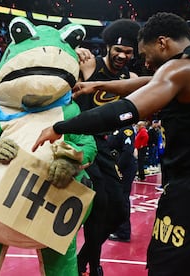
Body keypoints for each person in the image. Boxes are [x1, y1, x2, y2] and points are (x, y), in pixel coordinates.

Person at [33, 12, 190, 276]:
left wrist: (60, 127)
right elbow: (151, 83)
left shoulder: (179, 69)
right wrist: (100, 84)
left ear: (162, 43)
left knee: (164, 268)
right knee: (188, 267)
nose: (145, 62)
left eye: (145, 54)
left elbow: (122, 112)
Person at [73, 18, 141, 276]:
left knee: (119, 211)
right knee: (99, 207)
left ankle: (85, 258)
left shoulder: (130, 77)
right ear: (108, 47)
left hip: (108, 147)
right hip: (83, 142)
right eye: (118, 50)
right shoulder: (89, 63)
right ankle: (93, 265)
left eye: (128, 52)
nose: (122, 55)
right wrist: (74, 50)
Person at [107, 125, 137, 243]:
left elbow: (127, 151)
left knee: (123, 198)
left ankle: (124, 232)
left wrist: (118, 168)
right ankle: (118, 227)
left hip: (125, 168)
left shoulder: (126, 130)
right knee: (118, 198)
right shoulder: (116, 129)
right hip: (119, 167)